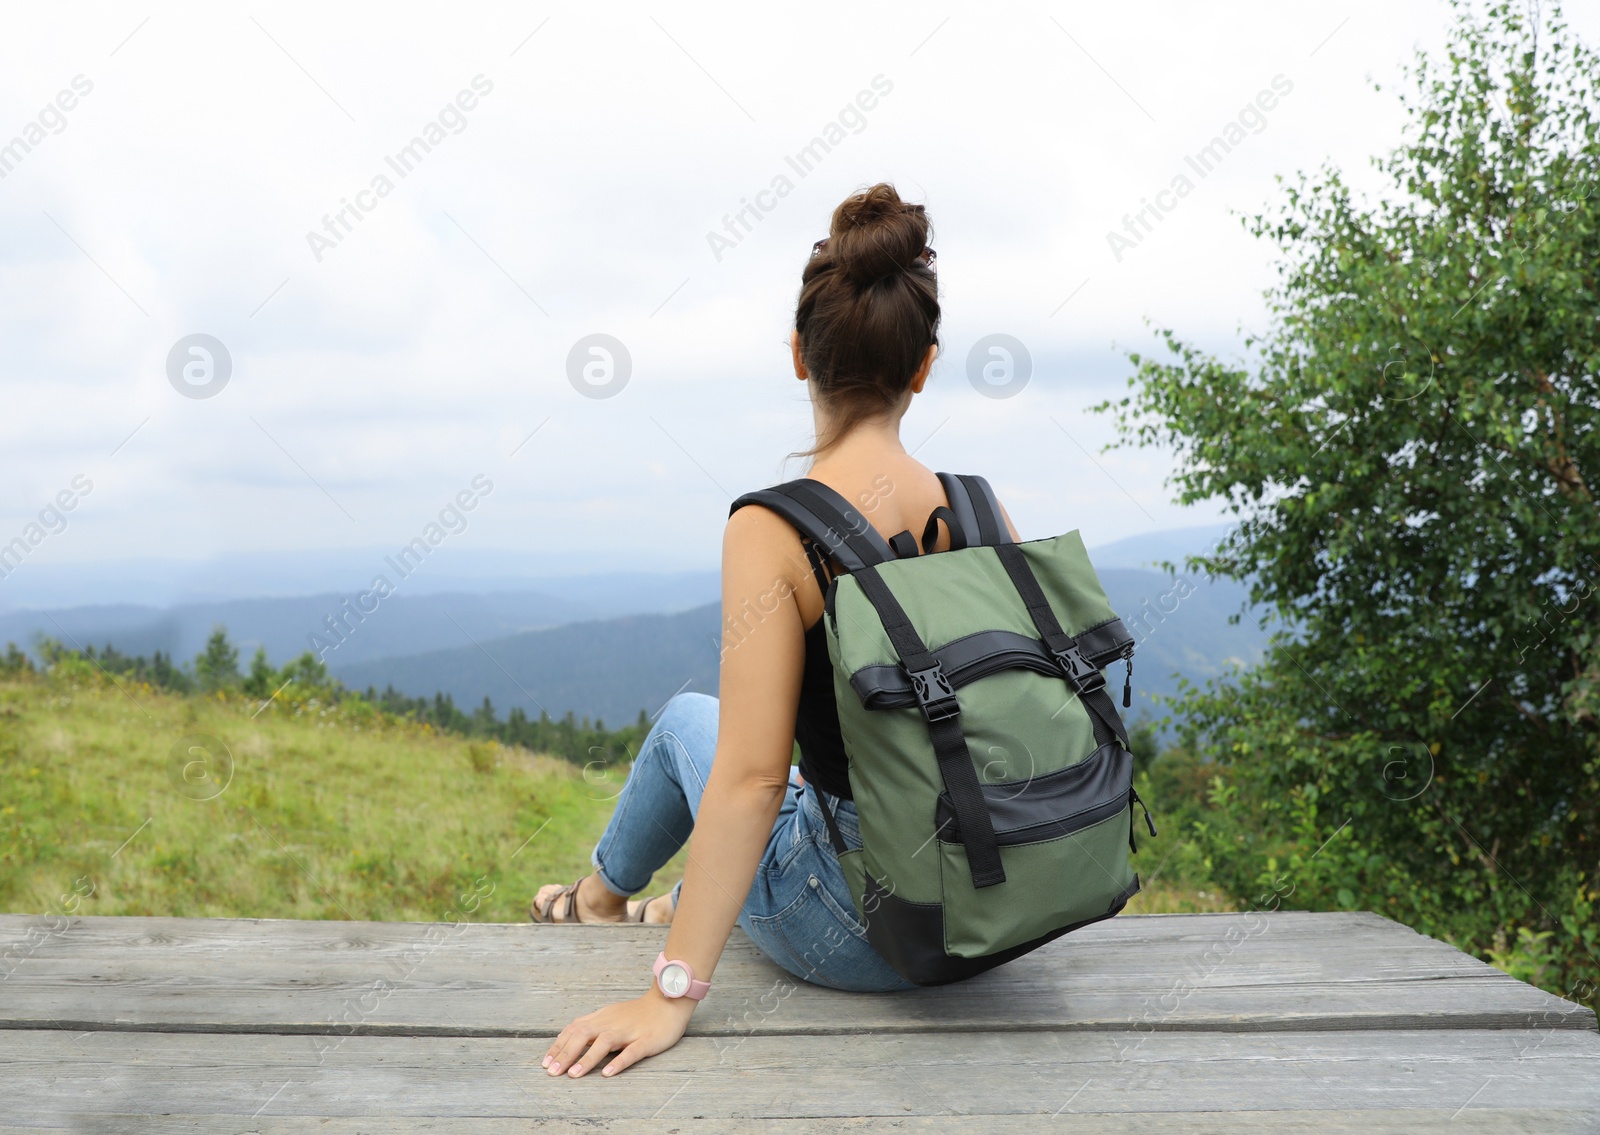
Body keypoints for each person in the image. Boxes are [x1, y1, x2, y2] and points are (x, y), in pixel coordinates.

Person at [532, 183, 1019, 1079]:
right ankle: (649, 895)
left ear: (800, 356)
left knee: (692, 723)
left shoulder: (775, 528)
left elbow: (752, 781)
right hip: (996, 916)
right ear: (924, 366)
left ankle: (598, 900)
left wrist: (667, 993)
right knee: (800, 771)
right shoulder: (982, 508)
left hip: (865, 935)